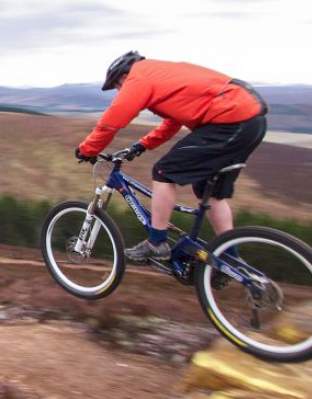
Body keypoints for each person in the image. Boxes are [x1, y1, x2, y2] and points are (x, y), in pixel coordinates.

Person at [74, 51, 269, 263]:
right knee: (210, 192)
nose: (119, 91)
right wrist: (143, 145)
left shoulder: (138, 77)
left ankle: (156, 242)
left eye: (117, 86)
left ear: (123, 76)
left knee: (163, 172)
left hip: (231, 119)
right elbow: (172, 122)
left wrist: (87, 149)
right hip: (251, 121)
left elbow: (113, 119)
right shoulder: (162, 75)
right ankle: (229, 259)